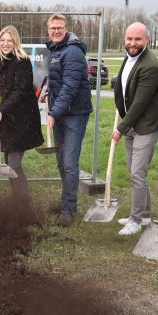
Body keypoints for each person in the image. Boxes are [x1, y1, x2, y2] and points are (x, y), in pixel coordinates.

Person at [111, 22, 158, 236]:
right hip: (132, 123)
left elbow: (140, 103)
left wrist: (120, 129)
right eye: (129, 39)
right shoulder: (130, 56)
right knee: (136, 172)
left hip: (146, 126)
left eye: (138, 39)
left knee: (137, 173)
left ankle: (135, 220)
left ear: (147, 40)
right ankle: (145, 215)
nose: (132, 43)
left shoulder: (151, 66)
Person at [45, 14, 93, 227]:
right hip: (63, 111)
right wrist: (49, 93)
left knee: (70, 162)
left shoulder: (72, 51)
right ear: (48, 30)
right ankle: (69, 203)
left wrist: (53, 113)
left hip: (75, 114)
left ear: (66, 29)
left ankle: (67, 209)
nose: (56, 31)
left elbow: (70, 86)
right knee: (61, 160)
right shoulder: (57, 50)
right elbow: (59, 82)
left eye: (60, 28)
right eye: (53, 28)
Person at [0, 25, 43, 205]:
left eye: (9, 40)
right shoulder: (4, 60)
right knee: (9, 164)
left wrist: (2, 109)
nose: (5, 44)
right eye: (2, 40)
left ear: (16, 42)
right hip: (10, 119)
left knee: (14, 164)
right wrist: (1, 83)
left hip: (22, 120)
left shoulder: (22, 61)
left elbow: (21, 91)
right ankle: (17, 199)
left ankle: (24, 203)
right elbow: (12, 86)